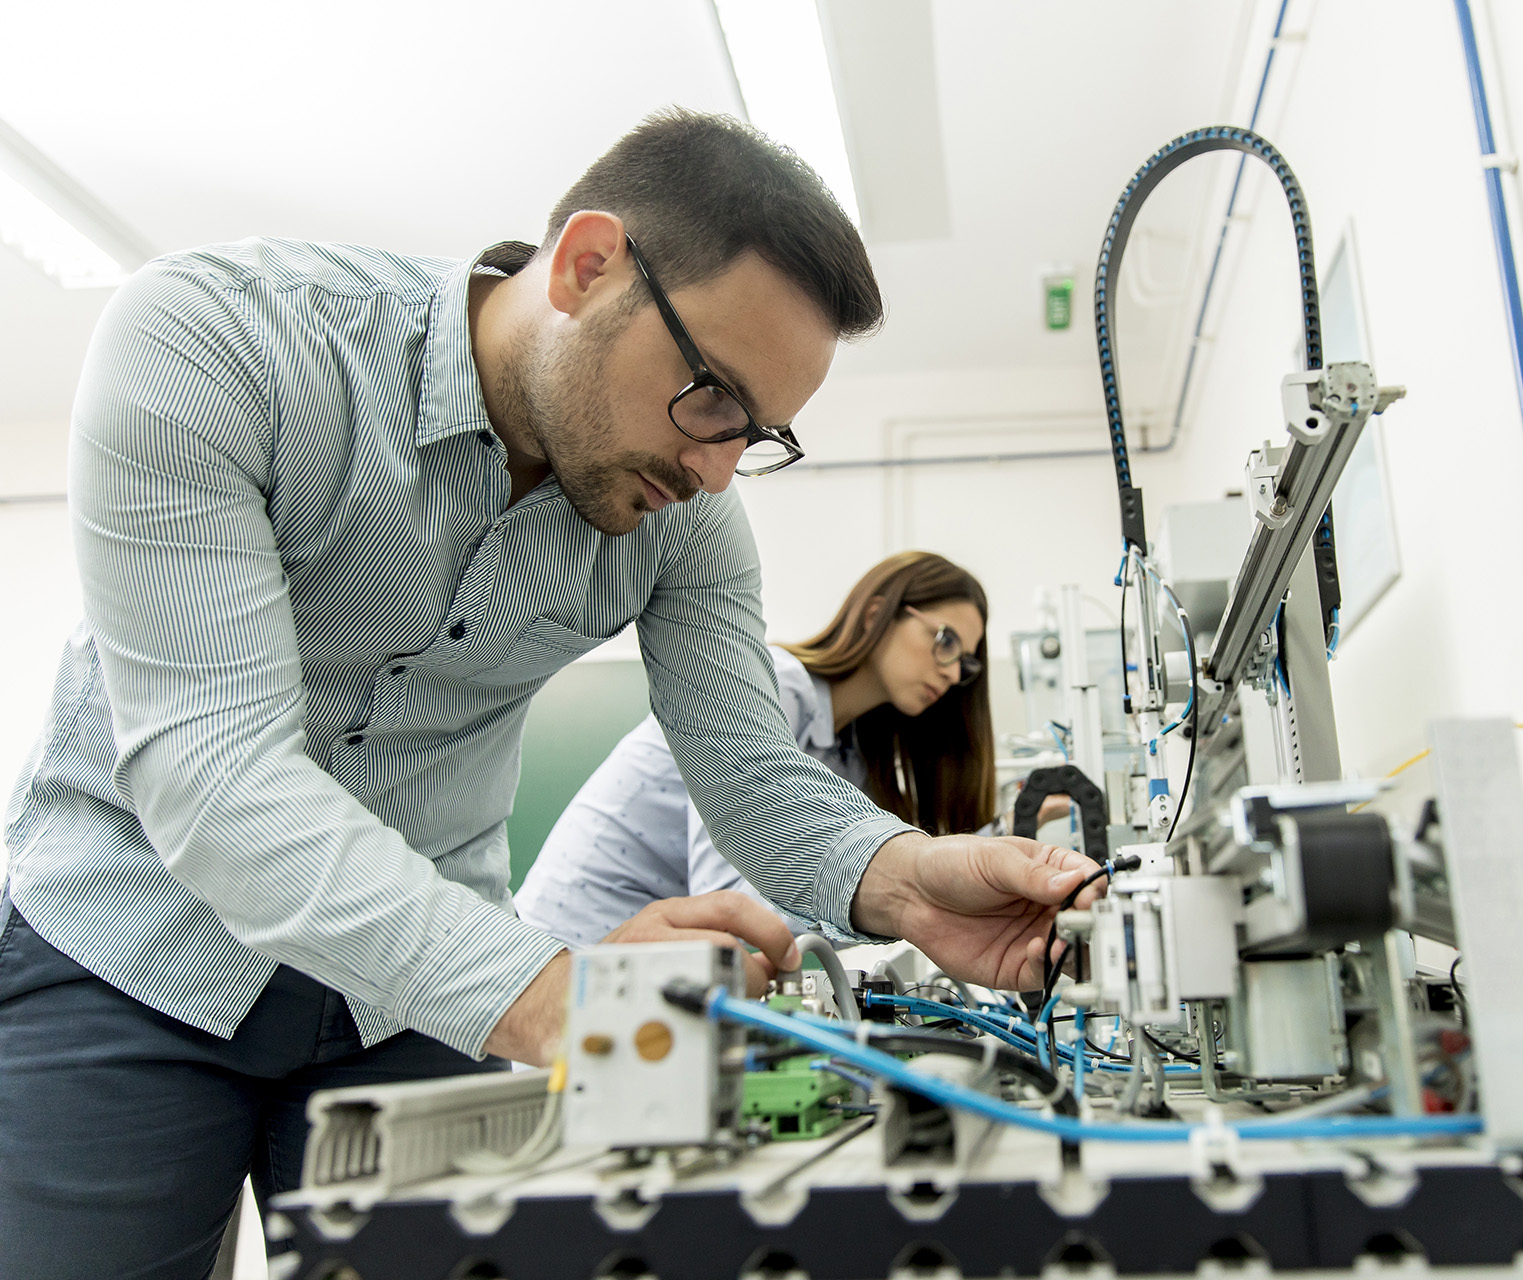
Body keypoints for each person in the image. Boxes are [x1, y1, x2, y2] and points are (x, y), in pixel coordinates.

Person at [0, 109, 1099, 1279]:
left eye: (759, 433)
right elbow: (218, 780)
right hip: (128, 952)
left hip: (404, 1006)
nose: (715, 468)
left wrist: (904, 880)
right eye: (711, 394)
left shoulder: (687, 518)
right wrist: (559, 996)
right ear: (586, 266)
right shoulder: (222, 340)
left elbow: (750, 770)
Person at [519, 550, 1072, 947]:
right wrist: (898, 909)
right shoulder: (774, 688)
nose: (953, 674)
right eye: (945, 641)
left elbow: (863, 869)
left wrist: (1002, 837)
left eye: (967, 663)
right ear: (878, 612)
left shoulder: (847, 757)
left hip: (649, 973)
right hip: (574, 954)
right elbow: (736, 903)